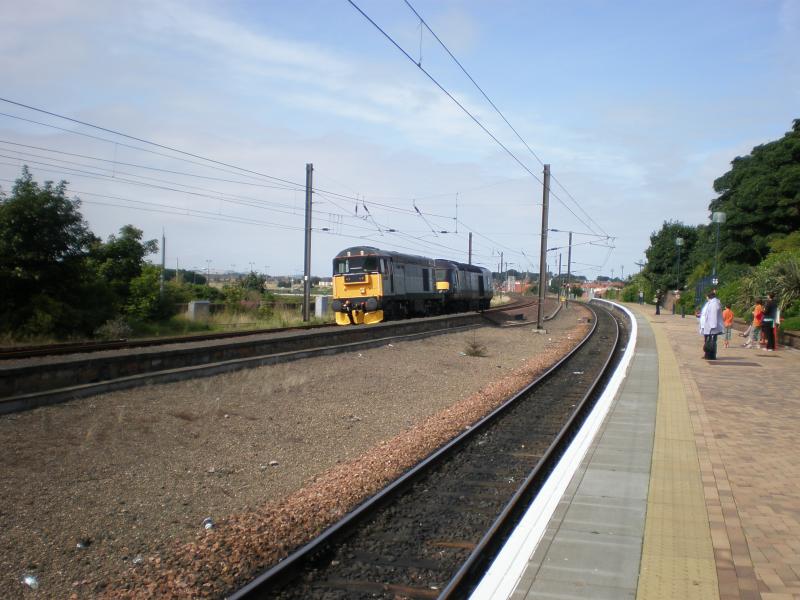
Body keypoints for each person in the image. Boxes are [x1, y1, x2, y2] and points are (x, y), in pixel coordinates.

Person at [699, 291, 724, 359]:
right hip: (708, 326)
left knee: (711, 341)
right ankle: (707, 354)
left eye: (707, 296)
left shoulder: (714, 303)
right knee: (708, 341)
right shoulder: (711, 303)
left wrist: (712, 326)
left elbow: (713, 315)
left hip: (711, 327)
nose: (706, 298)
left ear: (709, 297)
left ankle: (711, 355)